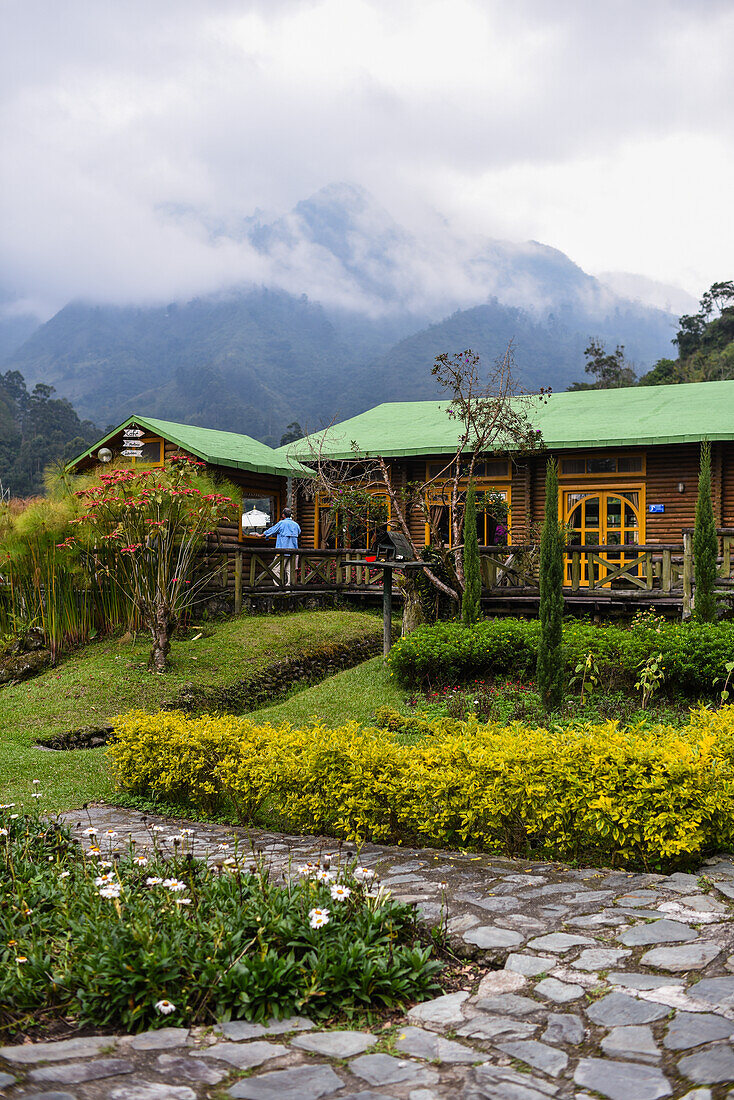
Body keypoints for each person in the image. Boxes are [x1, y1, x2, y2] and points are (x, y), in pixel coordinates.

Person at [261, 507, 301, 585]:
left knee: (275, 569)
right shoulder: (296, 525)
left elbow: (272, 530)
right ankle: (288, 587)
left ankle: (278, 586)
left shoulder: (281, 523)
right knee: (289, 570)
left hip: (282, 551)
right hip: (293, 551)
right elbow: (299, 532)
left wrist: (262, 535)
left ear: (283, 515)